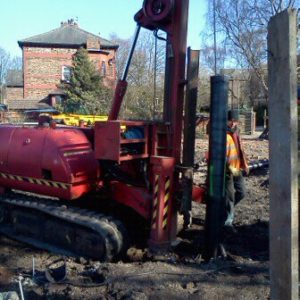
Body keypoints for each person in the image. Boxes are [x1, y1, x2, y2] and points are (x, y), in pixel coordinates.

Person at [224, 109, 249, 230]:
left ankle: (225, 211)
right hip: (226, 169)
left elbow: (240, 150)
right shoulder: (221, 133)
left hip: (236, 167)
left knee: (242, 192)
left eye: (235, 121)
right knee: (229, 196)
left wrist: (245, 165)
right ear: (227, 120)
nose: (233, 123)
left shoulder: (236, 132)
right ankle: (228, 221)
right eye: (231, 121)